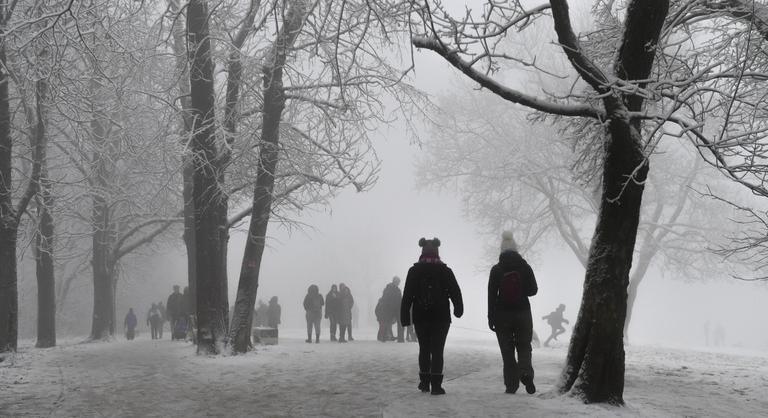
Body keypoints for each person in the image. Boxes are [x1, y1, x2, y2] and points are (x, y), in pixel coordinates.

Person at [401, 237, 463, 395]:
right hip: (441, 317)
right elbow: (455, 291)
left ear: (422, 251)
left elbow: (407, 295)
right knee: (437, 350)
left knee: (424, 348)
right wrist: (458, 308)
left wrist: (405, 317)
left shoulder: (414, 271)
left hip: (421, 316)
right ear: (437, 252)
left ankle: (424, 382)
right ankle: (436, 385)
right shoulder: (445, 271)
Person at [488, 231, 538, 395]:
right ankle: (526, 373)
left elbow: (491, 295)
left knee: (507, 350)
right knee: (524, 346)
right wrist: (521, 290)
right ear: (516, 249)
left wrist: (491, 317)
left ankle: (511, 385)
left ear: (501, 250)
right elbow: (533, 290)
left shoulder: (496, 269)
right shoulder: (525, 266)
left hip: (502, 315)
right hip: (523, 312)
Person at [383, 276, 404, 342]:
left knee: (400, 323)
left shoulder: (398, 290)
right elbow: (385, 299)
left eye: (398, 282)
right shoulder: (388, 288)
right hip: (389, 309)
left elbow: (400, 300)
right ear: (394, 281)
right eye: (397, 282)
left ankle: (400, 338)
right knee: (387, 322)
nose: (398, 283)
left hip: (397, 309)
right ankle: (384, 337)